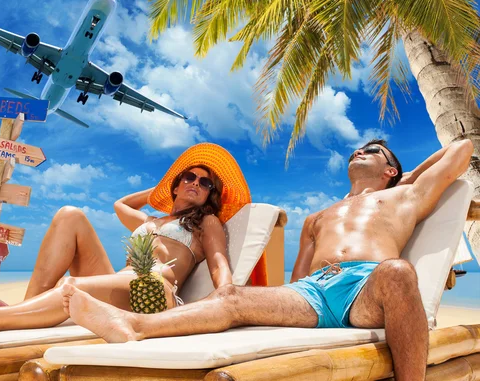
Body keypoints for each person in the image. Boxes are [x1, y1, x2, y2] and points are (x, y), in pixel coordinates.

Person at [60, 139, 474, 381]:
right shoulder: (318, 215)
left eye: (374, 151)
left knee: (399, 271)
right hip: (313, 292)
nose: (360, 151)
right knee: (235, 297)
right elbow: (296, 279)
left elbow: (463, 148)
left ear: (390, 170)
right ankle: (134, 326)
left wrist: (405, 177)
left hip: (368, 284)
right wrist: (276, 301)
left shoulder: (406, 194)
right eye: (360, 148)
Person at [0, 143, 252, 333]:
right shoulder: (152, 219)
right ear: (177, 184)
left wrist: (226, 297)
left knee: (71, 288)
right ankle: (24, 313)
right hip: (120, 279)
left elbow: (219, 261)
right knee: (70, 215)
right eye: (189, 177)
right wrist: (162, 187)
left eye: (205, 183)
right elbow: (120, 205)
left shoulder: (205, 221)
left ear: (210, 195)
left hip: (151, 292)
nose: (196, 183)